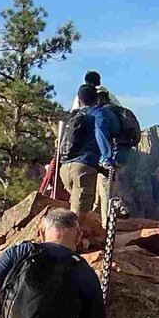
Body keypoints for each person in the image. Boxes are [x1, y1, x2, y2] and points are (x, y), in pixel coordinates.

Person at [58, 79, 121, 219]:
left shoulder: (73, 116)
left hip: (65, 168)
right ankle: (66, 238)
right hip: (83, 168)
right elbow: (100, 132)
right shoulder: (99, 113)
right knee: (78, 215)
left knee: (75, 207)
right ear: (97, 98)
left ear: (79, 100)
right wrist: (106, 157)